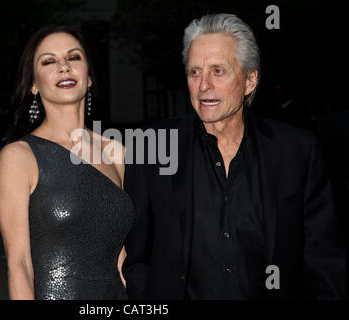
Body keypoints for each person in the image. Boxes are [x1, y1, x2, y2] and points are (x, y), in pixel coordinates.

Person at [122, 13, 347, 299]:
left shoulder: (297, 151)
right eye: (195, 72)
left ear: (250, 80)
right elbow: (137, 257)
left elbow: (324, 261)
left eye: (218, 71)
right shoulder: (152, 148)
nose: (203, 85)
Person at [0, 25, 134, 300]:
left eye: (74, 58)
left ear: (89, 77)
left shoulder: (118, 153)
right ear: (34, 84)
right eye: (49, 61)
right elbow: (19, 266)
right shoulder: (19, 157)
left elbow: (123, 257)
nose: (64, 67)